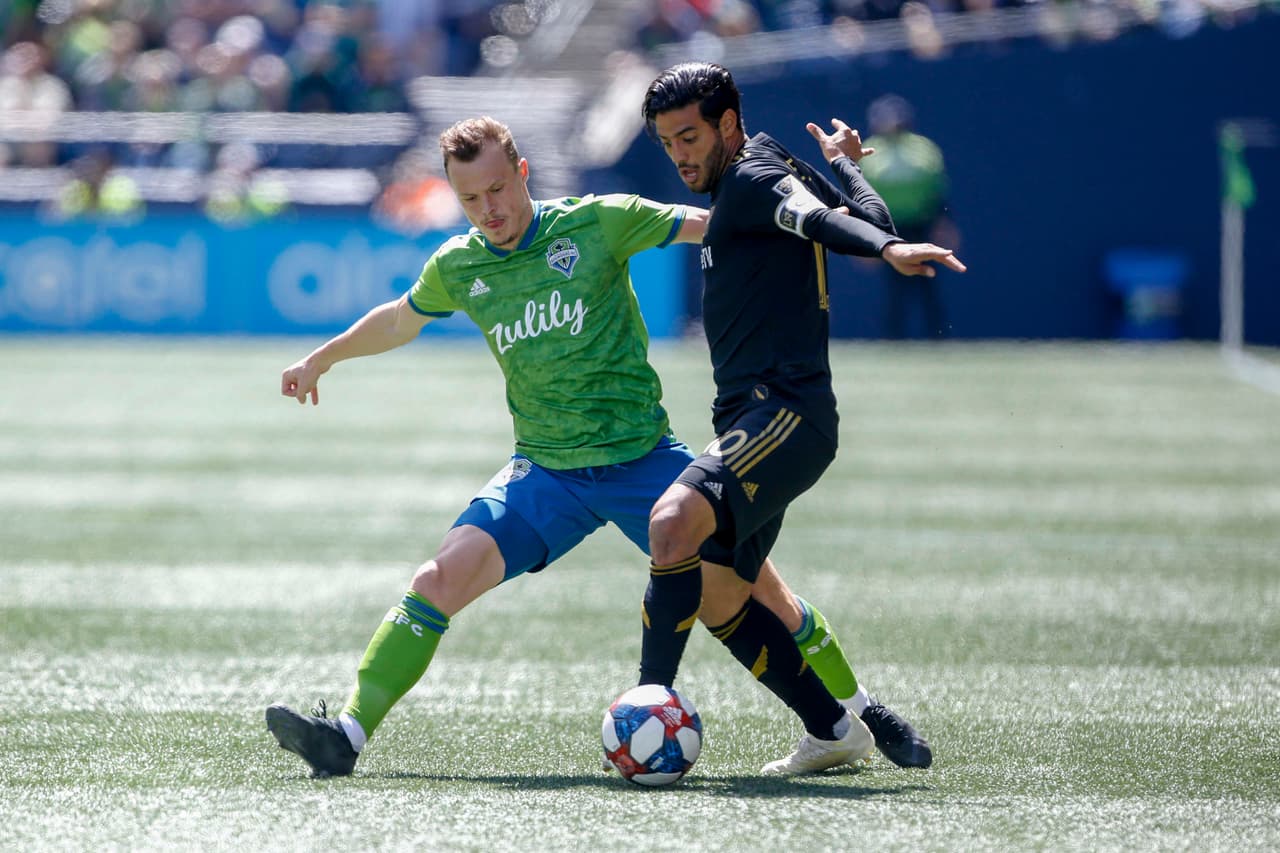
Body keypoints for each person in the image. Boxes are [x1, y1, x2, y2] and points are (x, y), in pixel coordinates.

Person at [265, 115, 927, 778]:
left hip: (648, 463)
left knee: (759, 598)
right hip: (545, 474)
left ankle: (860, 715)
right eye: (470, 199)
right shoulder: (460, 265)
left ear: (522, 173)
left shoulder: (598, 220)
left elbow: (718, 220)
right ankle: (345, 736)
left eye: (498, 189)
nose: (488, 209)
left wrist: (835, 207)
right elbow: (402, 316)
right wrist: (323, 358)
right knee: (435, 580)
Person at [638, 62, 965, 775]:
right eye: (667, 143)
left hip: (783, 412)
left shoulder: (754, 176)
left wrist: (885, 247)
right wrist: (849, 168)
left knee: (671, 523)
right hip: (753, 422)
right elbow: (859, 217)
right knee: (722, 591)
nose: (680, 154)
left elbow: (826, 224)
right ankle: (835, 728)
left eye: (689, 136)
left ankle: (647, 697)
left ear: (728, 123)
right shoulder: (771, 163)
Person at [860, 93, 958, 339]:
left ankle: (938, 339)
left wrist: (943, 223)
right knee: (894, 288)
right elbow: (861, 193)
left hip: (921, 224)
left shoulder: (922, 147)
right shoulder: (871, 149)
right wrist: (863, 236)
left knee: (928, 283)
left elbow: (936, 188)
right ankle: (894, 341)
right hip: (889, 228)